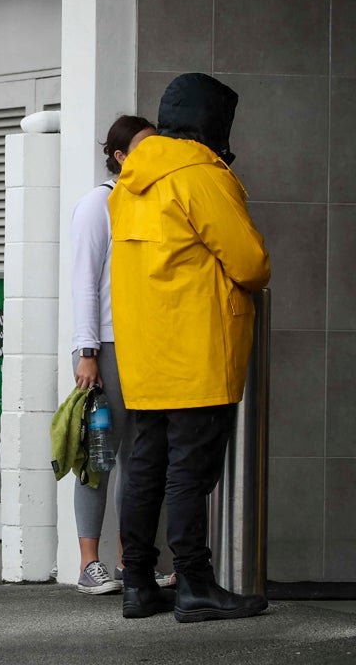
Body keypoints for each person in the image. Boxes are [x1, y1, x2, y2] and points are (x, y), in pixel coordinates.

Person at [110, 72, 271, 622]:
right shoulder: (202, 176)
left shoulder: (132, 181)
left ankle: (136, 582)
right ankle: (195, 584)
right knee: (189, 473)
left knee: (145, 467)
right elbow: (251, 264)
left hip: (145, 351)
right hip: (200, 347)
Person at [70, 115, 162, 595]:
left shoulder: (148, 203)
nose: (154, 153)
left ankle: (131, 560)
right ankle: (89, 564)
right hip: (102, 349)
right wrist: (87, 353)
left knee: (139, 459)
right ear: (120, 156)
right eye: (144, 146)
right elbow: (84, 283)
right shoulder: (98, 203)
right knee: (98, 457)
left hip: (142, 346)